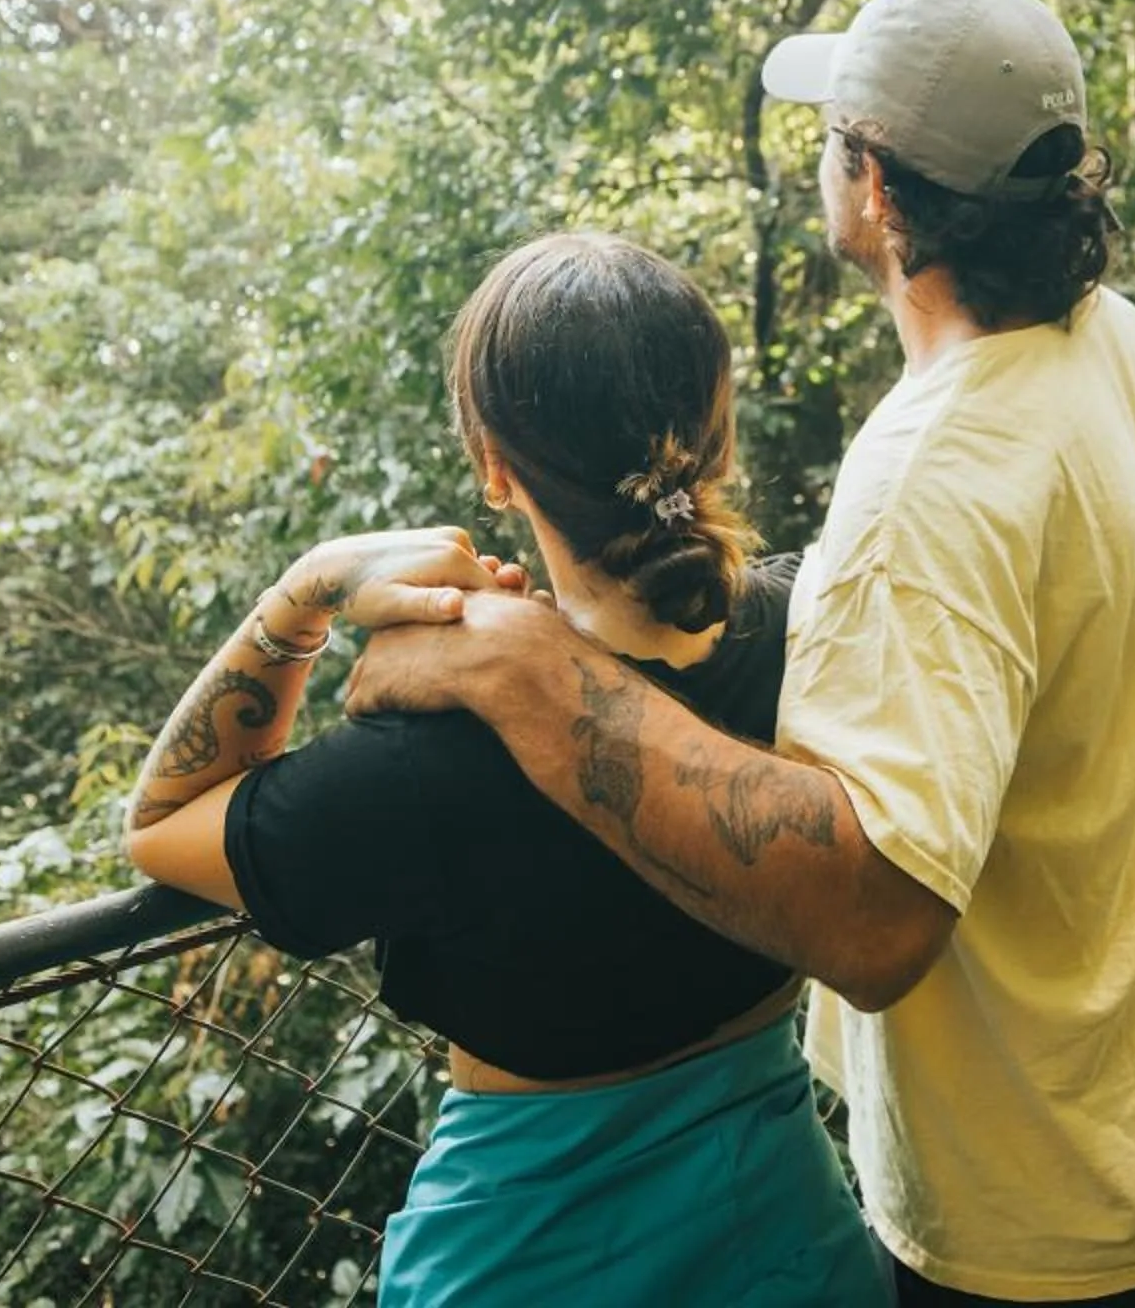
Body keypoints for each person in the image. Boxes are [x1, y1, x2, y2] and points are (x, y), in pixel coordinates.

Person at [345, 0, 1135, 1304]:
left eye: (833, 133)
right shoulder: (1117, 341)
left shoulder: (929, 472)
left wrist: (541, 677)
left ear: (877, 191)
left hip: (1051, 1217)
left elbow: (874, 924)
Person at [123, 233, 884, 1308]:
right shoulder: (812, 632)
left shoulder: (434, 756)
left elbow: (164, 818)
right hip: (792, 1238)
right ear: (717, 433)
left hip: (525, 1253)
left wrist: (305, 589)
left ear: (494, 464)